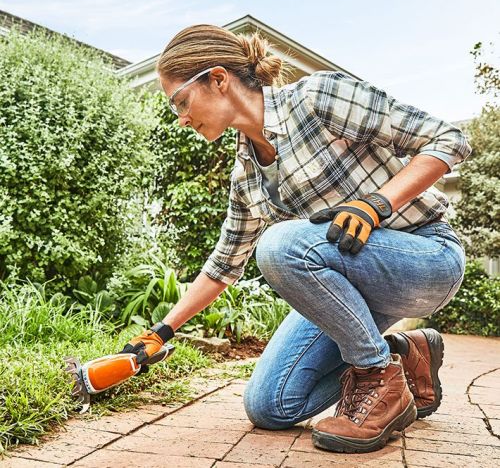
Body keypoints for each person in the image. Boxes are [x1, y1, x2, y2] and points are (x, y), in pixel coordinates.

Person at [121, 24, 472, 454]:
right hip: (356, 290)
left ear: (217, 79)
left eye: (181, 101)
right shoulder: (246, 175)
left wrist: (377, 204)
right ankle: (405, 355)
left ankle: (380, 378)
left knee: (280, 246)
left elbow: (448, 138)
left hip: (425, 256)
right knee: (270, 405)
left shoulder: (317, 98)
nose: (181, 118)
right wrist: (162, 331)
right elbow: (224, 265)